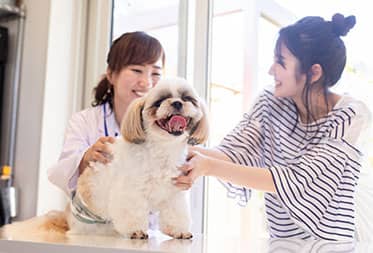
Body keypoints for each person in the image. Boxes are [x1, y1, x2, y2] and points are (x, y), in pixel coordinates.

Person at [175, 14, 371, 240]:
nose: (271, 70)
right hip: (282, 241)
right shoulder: (271, 101)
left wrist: (207, 166)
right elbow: (234, 154)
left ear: (314, 72)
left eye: (281, 62)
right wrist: (180, 152)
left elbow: (298, 180)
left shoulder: (351, 116)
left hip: (332, 244)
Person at [48, 31, 165, 195]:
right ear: (111, 74)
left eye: (156, 73)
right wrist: (86, 158)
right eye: (137, 70)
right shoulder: (85, 121)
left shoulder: (165, 126)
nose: (146, 82)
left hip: (151, 220)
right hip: (97, 218)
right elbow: (62, 174)